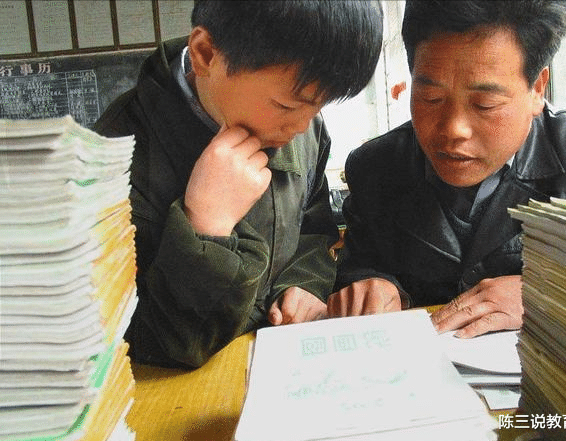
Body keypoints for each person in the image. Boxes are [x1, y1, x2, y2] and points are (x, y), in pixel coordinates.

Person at [94, 0, 383, 368]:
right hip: (172, 399)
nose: (299, 128)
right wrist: (206, 227)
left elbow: (312, 231)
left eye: (319, 106)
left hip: (285, 370)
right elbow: (140, 342)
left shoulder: (304, 127)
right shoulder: (108, 161)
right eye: (286, 105)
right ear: (206, 54)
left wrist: (301, 287)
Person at [330, 0, 566, 338]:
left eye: (485, 104)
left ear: (537, 88)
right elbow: (361, 265)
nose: (453, 130)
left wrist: (547, 295)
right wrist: (372, 286)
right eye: (431, 98)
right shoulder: (376, 168)